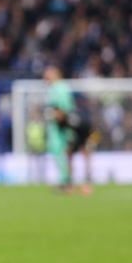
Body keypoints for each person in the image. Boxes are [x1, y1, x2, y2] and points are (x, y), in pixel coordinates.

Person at [43, 66, 97, 194]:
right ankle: (69, 182)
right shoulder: (57, 88)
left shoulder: (59, 88)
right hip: (66, 127)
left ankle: (69, 182)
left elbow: (61, 110)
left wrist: (51, 114)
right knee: (67, 153)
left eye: (47, 73)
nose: (44, 77)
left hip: (67, 128)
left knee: (66, 152)